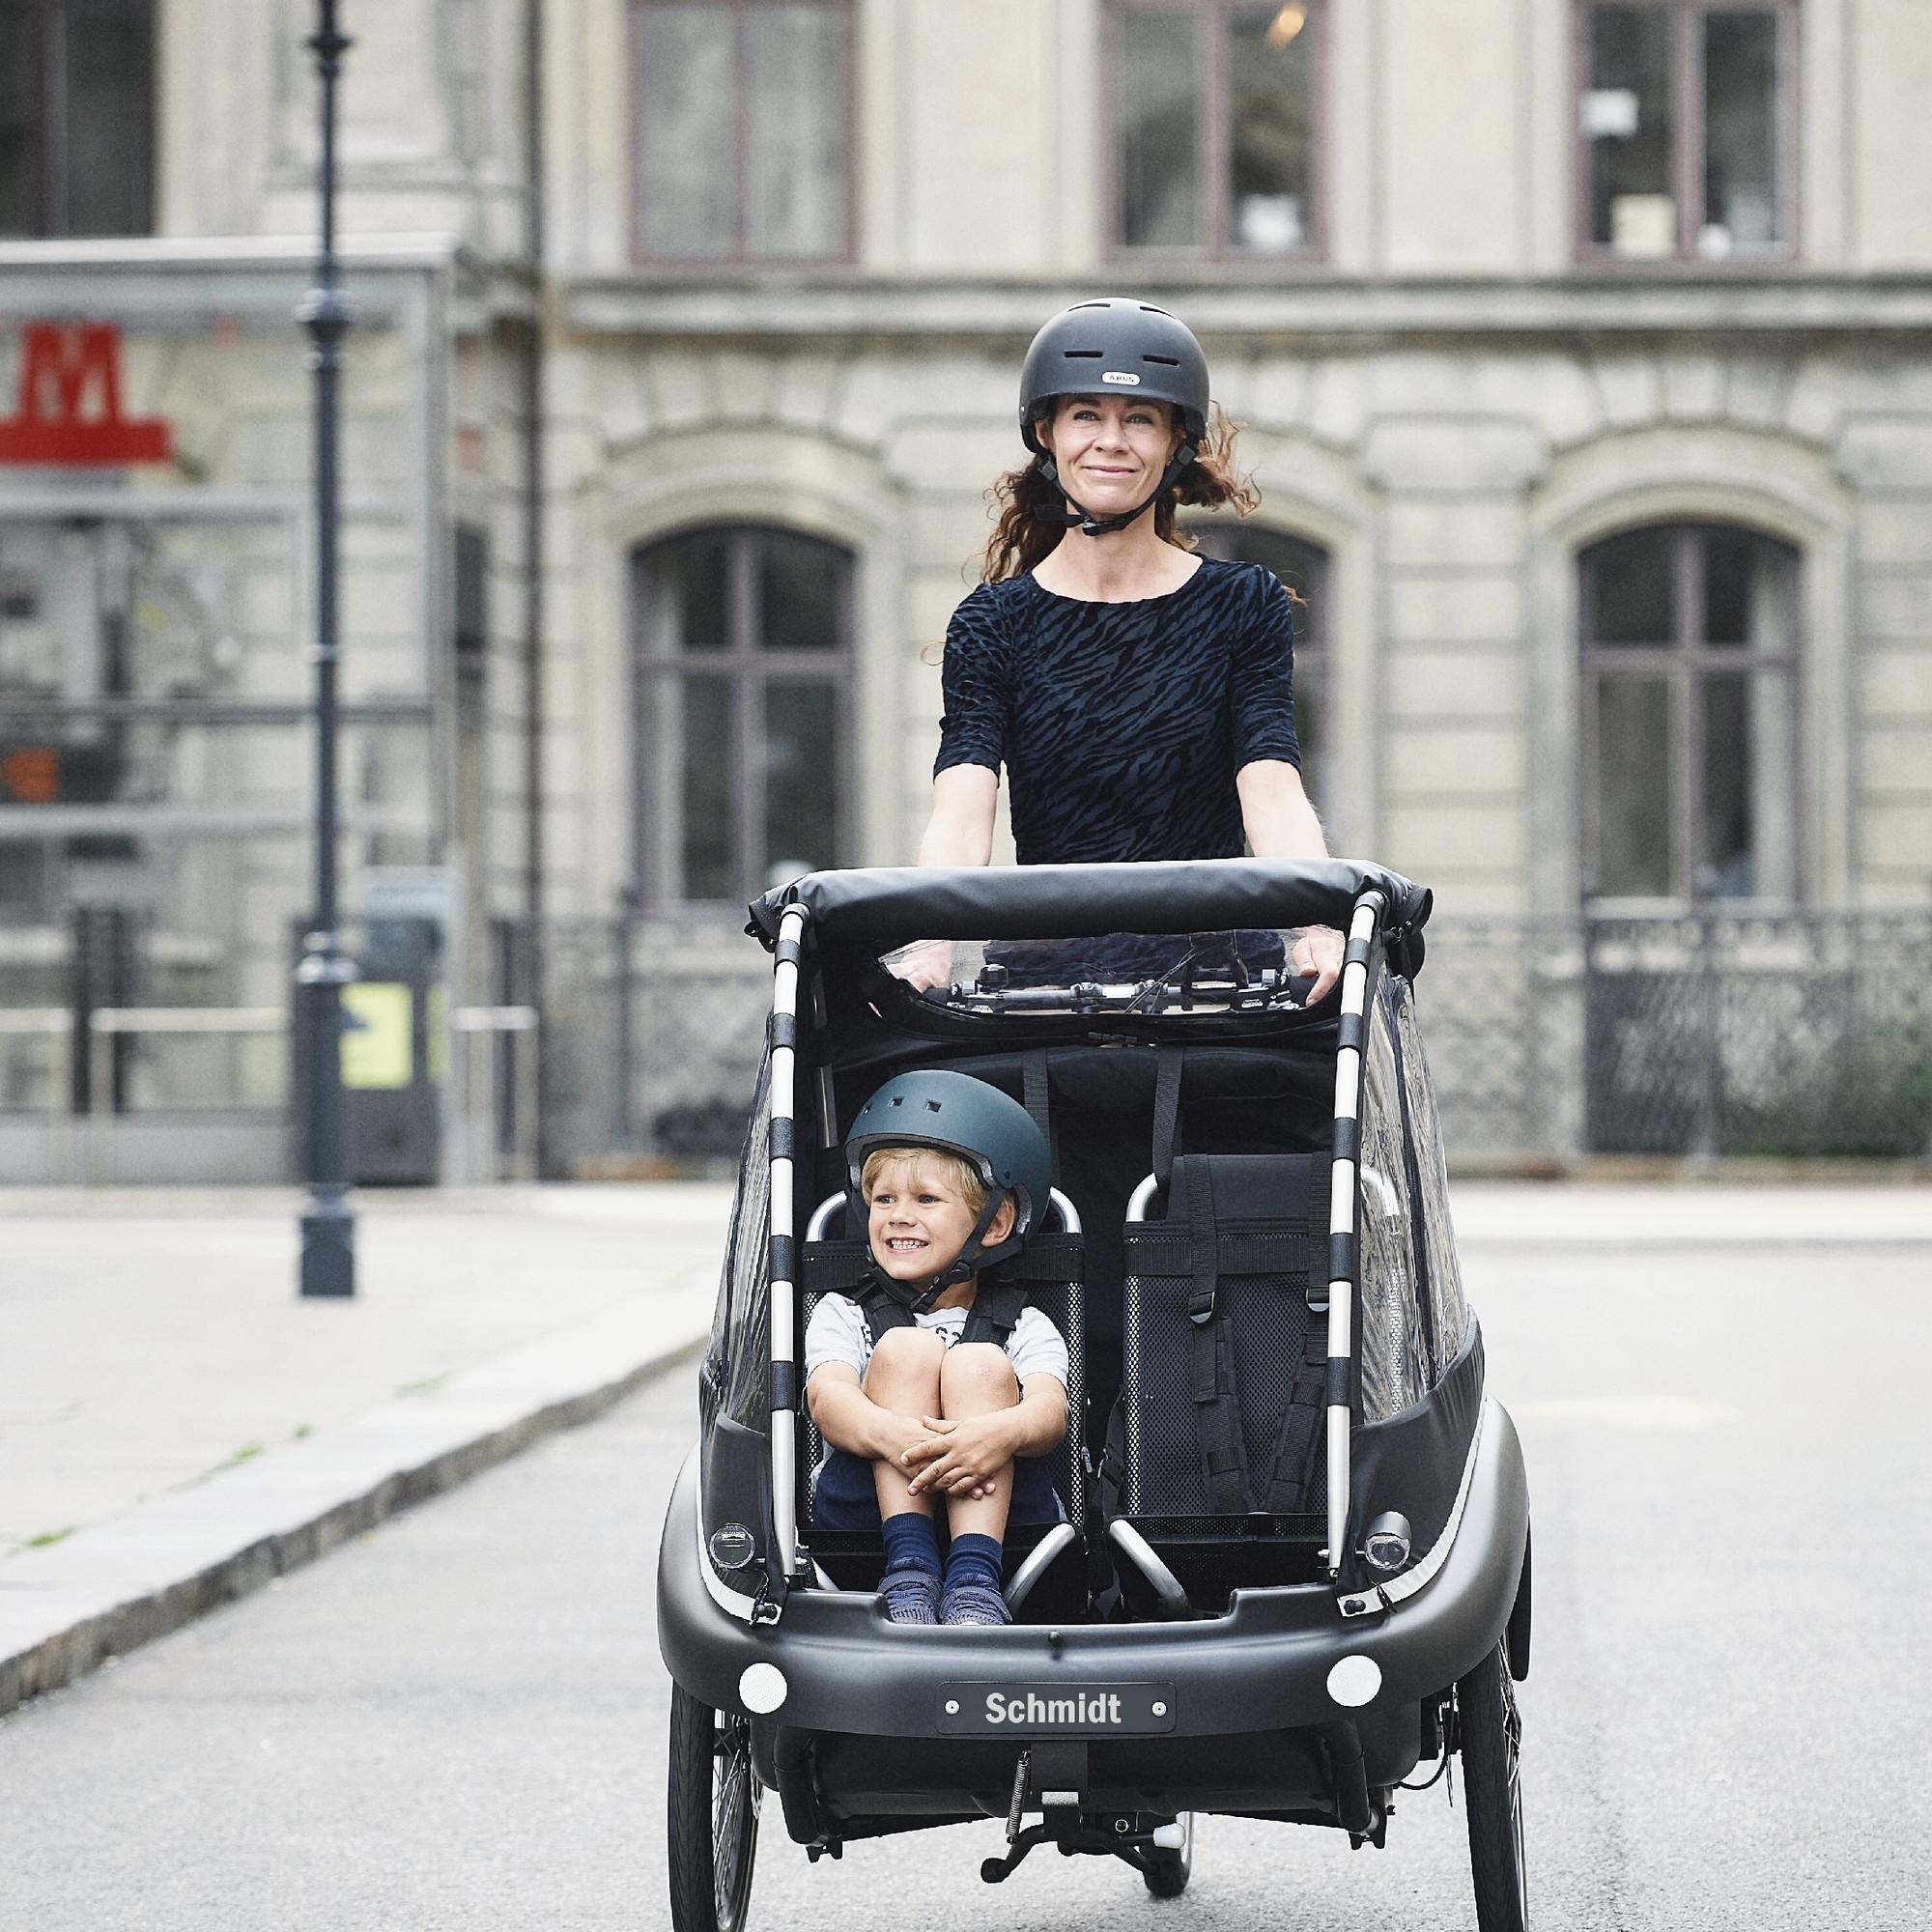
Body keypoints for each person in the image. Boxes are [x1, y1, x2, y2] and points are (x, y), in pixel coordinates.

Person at [906, 295, 1344, 998]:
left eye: (1138, 419)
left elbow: (1272, 788)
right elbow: (962, 810)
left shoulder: (1241, 603)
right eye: (1087, 416)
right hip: (1044, 987)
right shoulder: (994, 622)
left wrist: (1318, 926)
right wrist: (929, 947)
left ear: (1174, 444)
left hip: (1220, 981)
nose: (1111, 440)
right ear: (1047, 433)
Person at [803, 1069, 1068, 1629]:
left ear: (994, 1223)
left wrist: (991, 1436)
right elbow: (827, 1400)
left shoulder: (1023, 1322)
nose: (898, 1214)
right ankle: (910, 1570)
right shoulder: (841, 1312)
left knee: (978, 1362)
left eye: (926, 1198)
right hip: (866, 1520)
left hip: (1005, 1521)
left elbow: (1049, 1412)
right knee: (905, 1350)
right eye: (883, 1198)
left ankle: (973, 1582)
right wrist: (899, 1437)